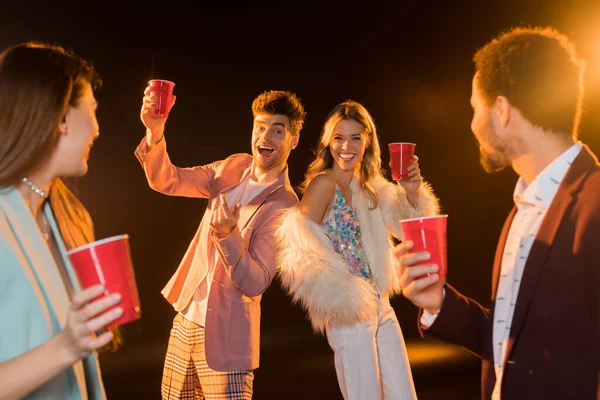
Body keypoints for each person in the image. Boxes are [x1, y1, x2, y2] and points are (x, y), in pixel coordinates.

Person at [397, 26, 600, 400]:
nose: (473, 124)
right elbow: (513, 339)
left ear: (502, 111)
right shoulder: (522, 208)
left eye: (475, 108)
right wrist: (438, 303)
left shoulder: (593, 203)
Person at [135, 89, 306, 399]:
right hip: (185, 321)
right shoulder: (231, 167)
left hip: (227, 337)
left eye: (277, 130)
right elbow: (168, 180)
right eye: (260, 125)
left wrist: (229, 236)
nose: (264, 136)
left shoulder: (285, 205)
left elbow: (255, 282)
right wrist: (154, 131)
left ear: (293, 139)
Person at [275, 100, 440, 399]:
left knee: (403, 394)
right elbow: (297, 251)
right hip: (349, 311)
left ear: (367, 142)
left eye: (355, 138)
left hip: (382, 306)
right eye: (338, 138)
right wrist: (344, 296)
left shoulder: (372, 186)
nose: (346, 147)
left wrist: (412, 192)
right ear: (328, 142)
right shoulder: (323, 185)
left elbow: (410, 231)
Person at [0, 42, 123, 399]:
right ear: (62, 119)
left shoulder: (62, 215)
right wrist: (67, 346)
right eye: (92, 111)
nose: (98, 129)